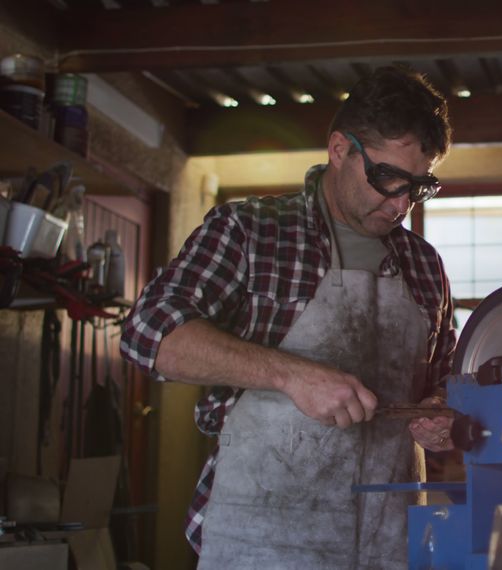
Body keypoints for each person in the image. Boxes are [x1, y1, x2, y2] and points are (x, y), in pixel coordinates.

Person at [120, 66, 456, 569]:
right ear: (340, 149)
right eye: (387, 178)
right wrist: (290, 374)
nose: (401, 203)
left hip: (391, 544)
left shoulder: (424, 267)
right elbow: (149, 332)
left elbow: (446, 376)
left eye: (419, 187)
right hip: (265, 540)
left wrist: (442, 410)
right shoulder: (251, 231)